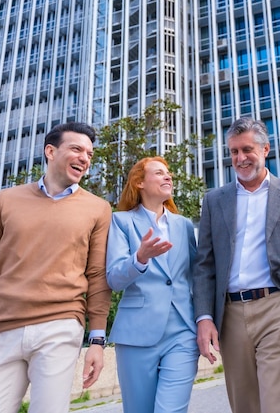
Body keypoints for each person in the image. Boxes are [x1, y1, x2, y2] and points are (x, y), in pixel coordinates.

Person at [0, 122, 112, 413]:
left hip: (61, 325)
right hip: (4, 328)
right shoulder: (6, 201)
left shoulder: (98, 208)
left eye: (90, 153)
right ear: (50, 151)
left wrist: (97, 339)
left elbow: (97, 275)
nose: (85, 157)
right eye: (76, 148)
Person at [193, 116, 280, 413]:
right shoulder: (214, 200)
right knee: (244, 405)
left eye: (247, 150)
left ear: (265, 150)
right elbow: (204, 265)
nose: (240, 158)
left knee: (279, 405)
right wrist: (205, 318)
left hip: (278, 307)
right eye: (234, 152)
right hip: (230, 314)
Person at [105, 156, 199, 413]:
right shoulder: (121, 221)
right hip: (136, 334)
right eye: (158, 173)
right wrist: (140, 258)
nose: (167, 176)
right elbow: (113, 278)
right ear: (140, 183)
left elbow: (196, 277)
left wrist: (204, 320)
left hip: (183, 331)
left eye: (168, 172)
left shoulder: (184, 225)